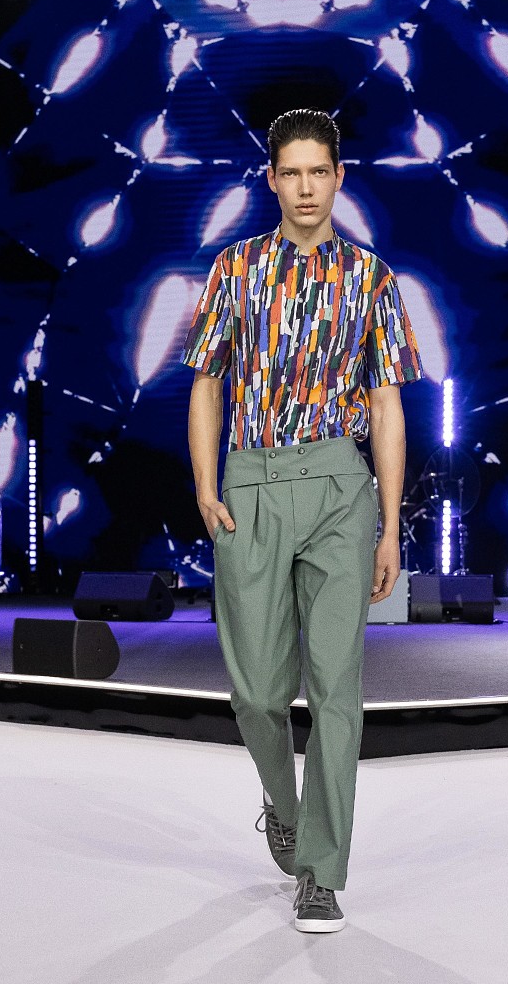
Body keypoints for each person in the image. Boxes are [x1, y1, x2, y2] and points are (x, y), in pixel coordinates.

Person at [182, 108, 423, 933]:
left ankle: (320, 871)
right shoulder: (235, 267)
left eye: (320, 171)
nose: (306, 187)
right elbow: (206, 380)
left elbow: (385, 405)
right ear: (272, 180)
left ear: (339, 177)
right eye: (292, 172)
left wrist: (388, 524)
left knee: (335, 688)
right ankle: (283, 810)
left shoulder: (370, 277)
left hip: (337, 487)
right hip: (248, 484)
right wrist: (206, 486)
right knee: (255, 692)